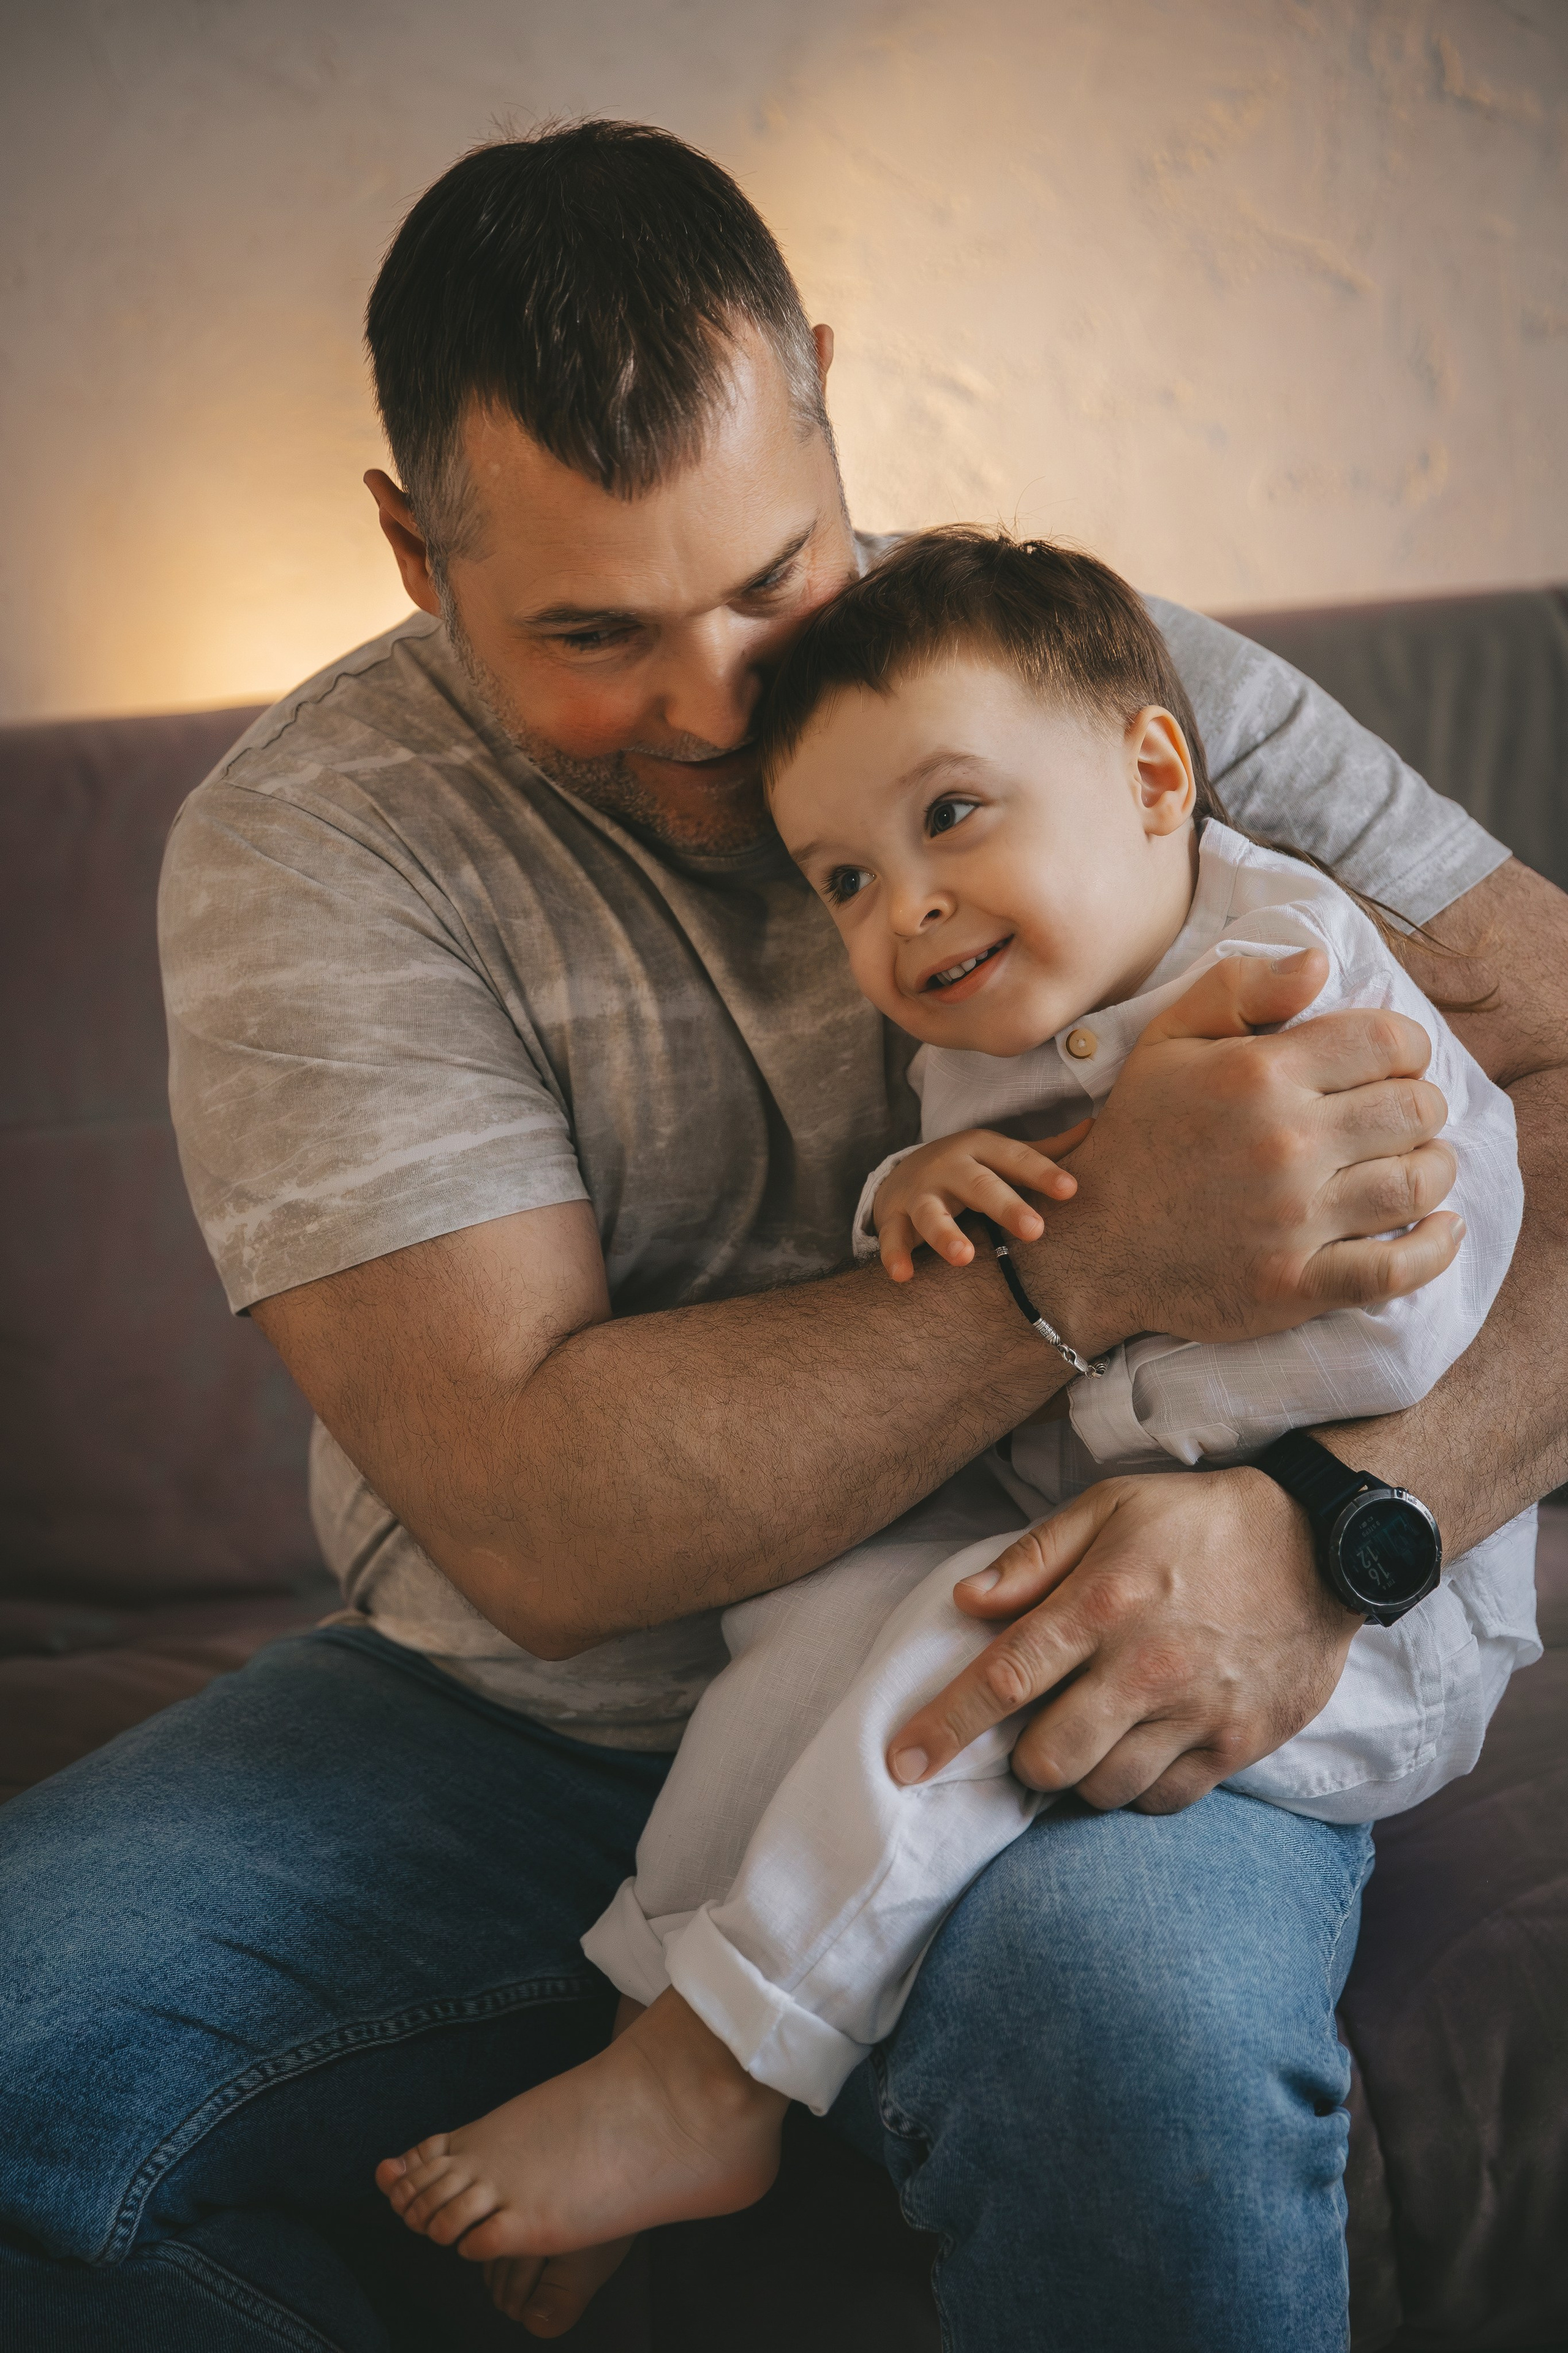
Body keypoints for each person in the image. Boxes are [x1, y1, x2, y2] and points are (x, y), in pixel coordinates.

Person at [2, 121, 1564, 2353]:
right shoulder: (318, 851)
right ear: (413, 550)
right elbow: (538, 1521)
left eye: (773, 579)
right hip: (525, 1726)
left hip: (1113, 1610)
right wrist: (1091, 1258)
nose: (725, 698)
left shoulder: (1068, 670)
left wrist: (1340, 1518)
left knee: (1119, 2042)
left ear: (826, 395)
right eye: (597, 633)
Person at [371, 529, 1538, 2275]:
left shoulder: (1304, 989)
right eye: (843, 877)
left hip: (1357, 1609)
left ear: (1155, 778)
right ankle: (647, 2015)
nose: (903, 907)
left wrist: (1154, 1287)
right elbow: (991, 1270)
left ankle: (721, 2073)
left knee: (962, 1641)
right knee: (796, 1623)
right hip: (1068, 1511)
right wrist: (912, 1200)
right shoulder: (995, 1028)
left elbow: (1408, 1331)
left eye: (952, 816)